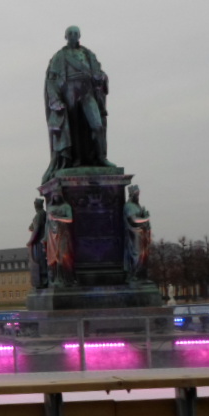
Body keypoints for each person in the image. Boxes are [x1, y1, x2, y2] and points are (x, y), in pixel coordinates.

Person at [43, 25, 113, 183]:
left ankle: (101, 157)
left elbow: (98, 72)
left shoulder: (88, 54)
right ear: (66, 36)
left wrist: (101, 77)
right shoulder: (60, 56)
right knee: (74, 129)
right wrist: (55, 100)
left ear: (79, 35)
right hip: (69, 93)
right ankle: (76, 161)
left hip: (87, 92)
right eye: (70, 33)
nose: (73, 35)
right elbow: (52, 80)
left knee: (97, 126)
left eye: (76, 33)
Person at [123, 185, 152, 283]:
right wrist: (146, 218)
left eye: (138, 194)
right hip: (134, 235)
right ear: (132, 194)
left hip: (141, 234)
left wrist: (143, 215)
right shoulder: (129, 206)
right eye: (136, 194)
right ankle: (134, 275)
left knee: (143, 255)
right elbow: (134, 220)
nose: (138, 196)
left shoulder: (136, 206)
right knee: (137, 255)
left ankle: (141, 275)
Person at [45, 193, 75, 287]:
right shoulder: (50, 208)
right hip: (52, 234)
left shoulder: (66, 206)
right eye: (54, 196)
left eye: (57, 195)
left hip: (63, 232)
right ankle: (56, 278)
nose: (56, 197)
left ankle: (67, 279)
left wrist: (56, 218)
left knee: (64, 255)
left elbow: (70, 219)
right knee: (53, 257)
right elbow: (47, 223)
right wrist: (45, 237)